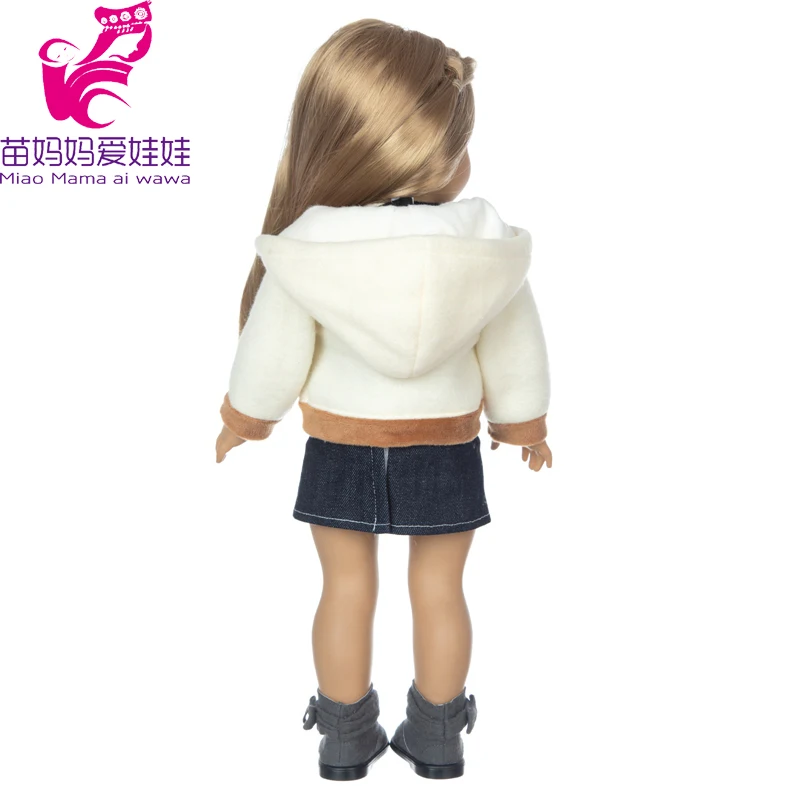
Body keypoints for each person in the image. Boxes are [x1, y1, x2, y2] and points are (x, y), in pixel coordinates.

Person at [215, 18, 552, 781]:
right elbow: (516, 349)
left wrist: (245, 419)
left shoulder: (311, 246)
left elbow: (272, 351)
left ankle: (344, 736)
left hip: (342, 439)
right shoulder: (484, 249)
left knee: (344, 586)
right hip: (444, 440)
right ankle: (439, 736)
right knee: (439, 588)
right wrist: (523, 424)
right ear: (436, 153)